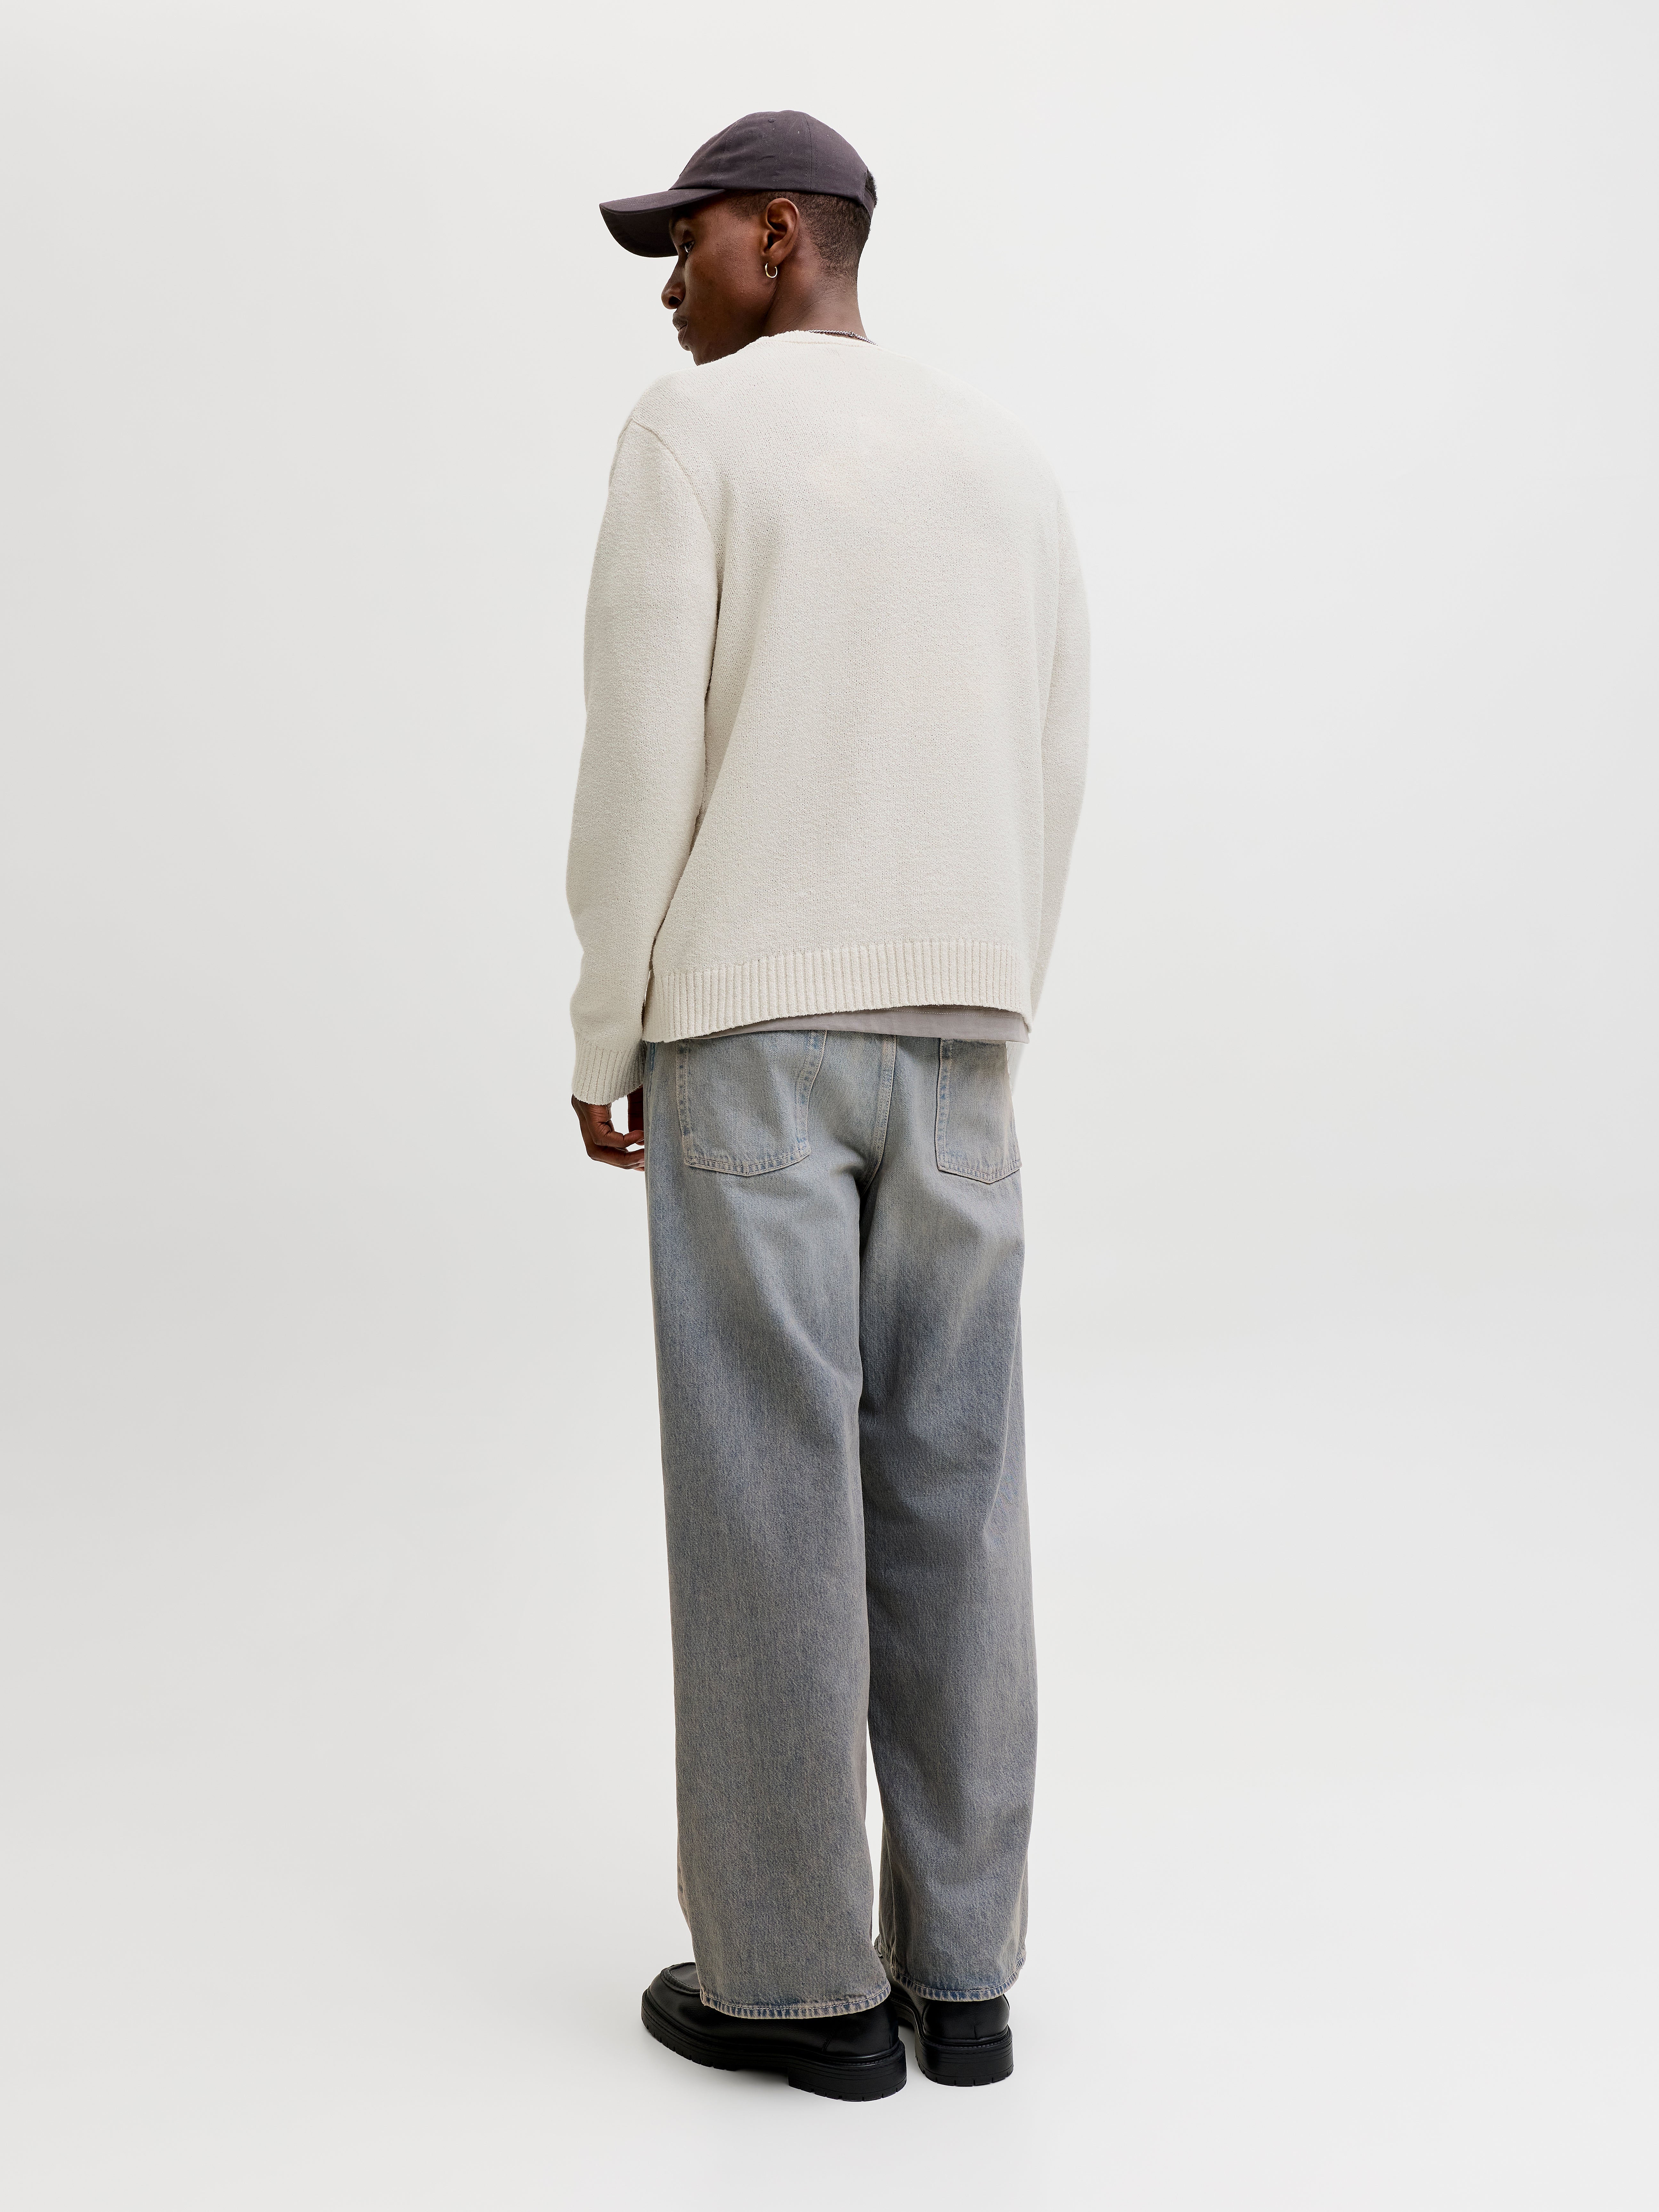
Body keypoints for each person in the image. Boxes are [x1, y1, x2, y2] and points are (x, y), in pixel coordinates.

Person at [567, 110, 1089, 2100]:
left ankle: (798, 1991)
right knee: (957, 1489)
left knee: (769, 1497)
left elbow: (643, 757)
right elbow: (1054, 754)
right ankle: (965, 1977)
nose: (668, 285)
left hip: (755, 1033)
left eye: (689, 242)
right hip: (961, 1027)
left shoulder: (692, 436)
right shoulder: (1006, 461)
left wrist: (609, 1027)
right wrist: (995, 986)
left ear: (783, 235)